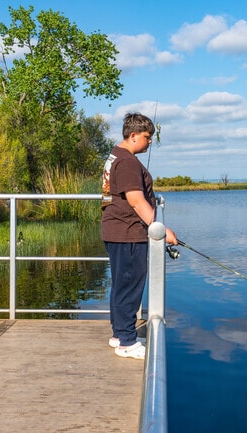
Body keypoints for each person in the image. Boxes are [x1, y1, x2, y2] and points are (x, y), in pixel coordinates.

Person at [101, 112, 178, 359]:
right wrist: (160, 229)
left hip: (119, 231)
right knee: (130, 286)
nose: (149, 142)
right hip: (127, 233)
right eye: (147, 137)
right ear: (133, 136)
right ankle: (126, 341)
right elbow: (136, 200)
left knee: (121, 285)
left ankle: (119, 334)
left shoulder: (117, 156)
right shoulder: (128, 162)